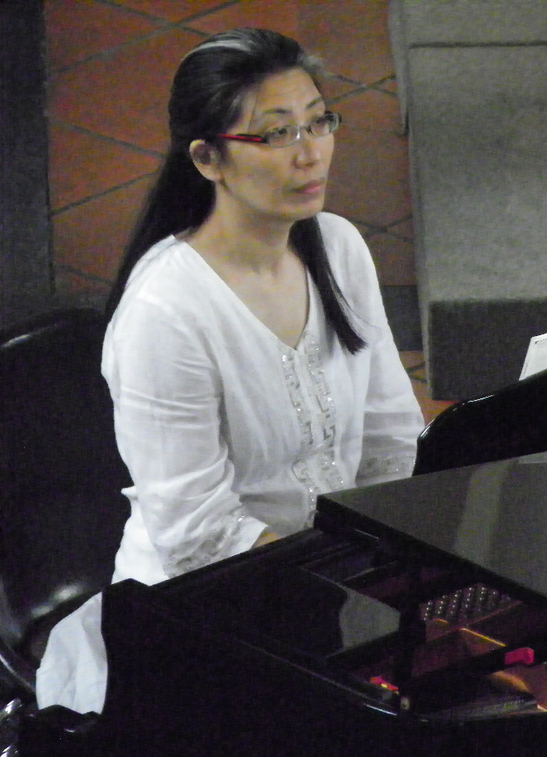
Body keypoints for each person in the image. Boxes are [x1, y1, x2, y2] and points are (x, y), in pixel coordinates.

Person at [36, 28, 425, 714]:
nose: (310, 152)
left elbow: (391, 433)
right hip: (206, 609)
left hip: (333, 584)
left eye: (318, 122)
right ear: (207, 158)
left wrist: (392, 568)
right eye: (276, 134)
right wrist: (338, 598)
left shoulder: (339, 248)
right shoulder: (167, 311)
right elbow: (199, 533)